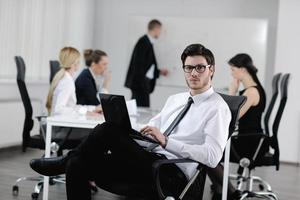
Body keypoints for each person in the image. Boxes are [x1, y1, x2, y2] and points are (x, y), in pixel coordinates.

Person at [30, 44, 239, 200]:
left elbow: (212, 157)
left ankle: (61, 162)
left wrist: (167, 142)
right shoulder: (175, 100)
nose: (193, 73)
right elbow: (149, 130)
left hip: (171, 171)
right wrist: (131, 131)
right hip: (148, 159)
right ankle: (68, 161)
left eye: (200, 68)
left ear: (211, 69)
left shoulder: (217, 108)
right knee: (79, 163)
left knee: (108, 131)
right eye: (189, 67)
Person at [209, 53, 267, 200]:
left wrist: (232, 92)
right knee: (212, 151)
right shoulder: (252, 89)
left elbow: (232, 117)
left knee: (209, 154)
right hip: (250, 138)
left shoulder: (252, 92)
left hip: (250, 142)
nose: (232, 73)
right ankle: (220, 189)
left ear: (243, 70)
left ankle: (230, 191)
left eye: (233, 69)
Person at [124, 19, 169, 107]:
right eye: (160, 30)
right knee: (140, 110)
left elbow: (147, 66)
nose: (160, 32)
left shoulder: (148, 42)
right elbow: (138, 65)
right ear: (156, 29)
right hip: (140, 85)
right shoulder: (143, 42)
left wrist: (159, 71)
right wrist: (143, 84)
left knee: (142, 109)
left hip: (143, 84)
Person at [46, 47, 102, 116]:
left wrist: (93, 108)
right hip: (61, 124)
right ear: (75, 63)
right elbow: (59, 109)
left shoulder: (65, 77)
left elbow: (72, 107)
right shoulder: (67, 81)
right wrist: (86, 113)